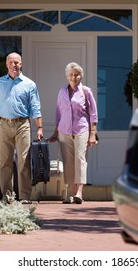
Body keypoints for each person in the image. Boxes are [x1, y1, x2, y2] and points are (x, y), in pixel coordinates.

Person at [0, 52, 43, 204]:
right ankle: (7, 196)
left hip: (22, 124)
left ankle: (24, 196)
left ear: (21, 64)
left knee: (24, 161)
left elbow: (35, 108)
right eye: (11, 62)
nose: (14, 65)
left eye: (17, 62)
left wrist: (39, 128)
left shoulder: (29, 84)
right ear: (6, 64)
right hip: (4, 124)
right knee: (4, 162)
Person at [48, 62, 98, 204]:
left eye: (76, 74)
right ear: (67, 76)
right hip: (64, 131)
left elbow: (93, 113)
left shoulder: (86, 91)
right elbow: (59, 114)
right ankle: (72, 193)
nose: (73, 77)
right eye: (71, 74)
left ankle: (80, 193)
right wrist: (55, 133)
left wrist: (93, 133)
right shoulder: (62, 92)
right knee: (68, 162)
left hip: (82, 129)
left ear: (81, 76)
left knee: (80, 159)